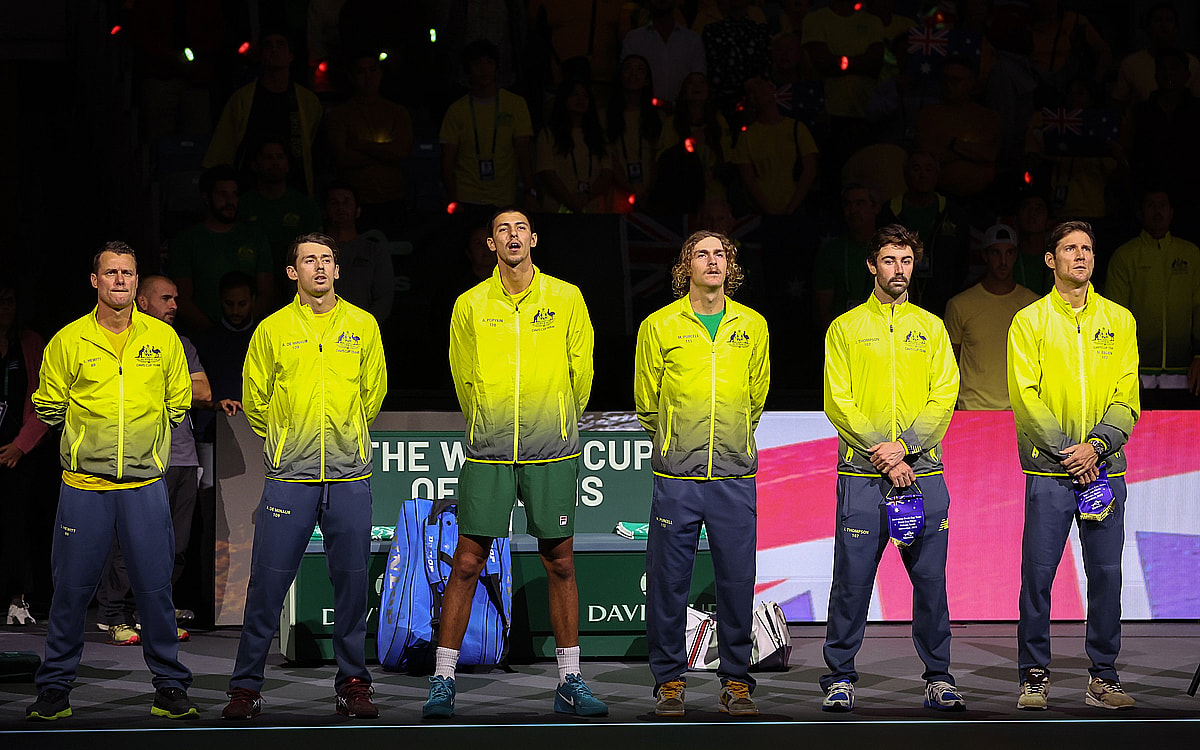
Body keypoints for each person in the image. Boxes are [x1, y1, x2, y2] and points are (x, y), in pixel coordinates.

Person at [425, 208, 605, 719]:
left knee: (561, 562)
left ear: (534, 239)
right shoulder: (470, 305)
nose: (512, 235)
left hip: (554, 450)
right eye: (502, 229)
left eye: (521, 228)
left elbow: (582, 370)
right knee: (465, 562)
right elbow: (463, 376)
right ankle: (443, 680)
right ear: (490, 244)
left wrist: (559, 423)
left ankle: (570, 679)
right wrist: (487, 423)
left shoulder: (566, 297)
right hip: (489, 452)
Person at [27, 242, 196, 721]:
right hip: (84, 486)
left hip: (144, 486)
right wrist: (90, 444)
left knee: (155, 593)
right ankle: (55, 690)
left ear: (137, 283)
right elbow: (48, 406)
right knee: (70, 594)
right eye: (111, 272)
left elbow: (177, 403)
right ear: (94, 281)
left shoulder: (163, 340)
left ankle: (169, 688)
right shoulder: (68, 340)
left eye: (127, 273)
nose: (119, 280)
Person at [221, 233, 387, 720]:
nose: (319, 266)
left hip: (348, 476)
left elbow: (372, 394)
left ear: (337, 271)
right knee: (266, 588)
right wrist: (287, 441)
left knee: (352, 586)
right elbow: (255, 400)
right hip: (289, 478)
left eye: (327, 259)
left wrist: (343, 436)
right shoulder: (272, 329)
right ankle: (246, 687)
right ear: (292, 272)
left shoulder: (364, 325)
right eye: (308, 260)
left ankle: (354, 682)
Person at [821, 224, 963, 713]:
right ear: (871, 265)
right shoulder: (844, 328)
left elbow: (945, 395)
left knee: (930, 583)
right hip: (862, 478)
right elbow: (837, 401)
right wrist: (882, 452)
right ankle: (839, 676)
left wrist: (905, 448)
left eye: (906, 261)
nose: (898, 270)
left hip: (923, 473)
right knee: (852, 582)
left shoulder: (932, 327)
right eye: (889, 260)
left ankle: (939, 677)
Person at [634, 230, 770, 717]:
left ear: (730, 267)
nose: (712, 261)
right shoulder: (659, 326)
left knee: (737, 582)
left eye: (721, 254)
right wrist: (675, 441)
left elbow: (756, 398)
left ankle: (736, 681)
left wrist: (729, 441)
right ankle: (669, 681)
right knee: (669, 583)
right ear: (685, 266)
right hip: (678, 478)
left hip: (734, 477)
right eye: (701, 254)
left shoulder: (752, 325)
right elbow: (647, 404)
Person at [1008, 220, 1140, 710]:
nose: (1080, 255)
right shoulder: (1029, 322)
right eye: (1069, 248)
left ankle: (1103, 676)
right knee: (1038, 576)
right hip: (1050, 473)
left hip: (1105, 471)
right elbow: (1025, 397)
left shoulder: (1120, 320)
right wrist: (1072, 452)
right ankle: (1034, 676)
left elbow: (1128, 394)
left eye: (1086, 248)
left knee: (1106, 575)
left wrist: (1097, 448)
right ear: (1050, 259)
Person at [97, 276, 212, 644]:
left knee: (175, 545)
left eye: (177, 298)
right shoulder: (130, 342)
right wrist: (171, 385)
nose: (175, 305)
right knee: (130, 542)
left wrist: (159, 382)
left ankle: (153, 613)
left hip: (183, 456)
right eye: (166, 298)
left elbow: (203, 390)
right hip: (145, 458)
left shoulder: (182, 344)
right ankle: (115, 614)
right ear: (143, 302)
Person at [1106, 189, 1200, 402]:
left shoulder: (1190, 254)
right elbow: (1114, 315)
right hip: (1137, 370)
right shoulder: (1125, 256)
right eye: (1150, 205)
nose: (1157, 212)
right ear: (1140, 212)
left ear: (1171, 212)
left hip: (1185, 369)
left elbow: (1198, 306)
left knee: (1183, 431)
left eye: (1163, 205)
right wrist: (1120, 366)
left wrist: (1199, 355)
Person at [204, 30, 323, 196]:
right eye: (268, 45)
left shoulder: (308, 102)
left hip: (296, 189)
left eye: (280, 44)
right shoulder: (242, 99)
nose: (274, 49)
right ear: (261, 55)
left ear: (291, 55)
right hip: (249, 189)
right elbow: (223, 149)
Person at [169, 165, 275, 333]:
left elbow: (266, 293)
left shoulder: (255, 237)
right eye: (222, 194)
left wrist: (242, 329)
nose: (230, 201)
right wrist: (215, 334)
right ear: (206, 197)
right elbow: (181, 300)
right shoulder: (186, 240)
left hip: (249, 335)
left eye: (234, 194)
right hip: (202, 337)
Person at [945, 224, 1039, 410]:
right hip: (971, 409)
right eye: (996, 253)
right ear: (985, 256)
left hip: (1019, 411)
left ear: (1016, 255)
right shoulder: (960, 304)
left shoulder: (1034, 305)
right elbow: (948, 364)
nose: (1003, 261)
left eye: (1009, 253)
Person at [440, 39, 535, 217]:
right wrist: (453, 199)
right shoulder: (456, 110)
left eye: (489, 62)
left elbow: (524, 153)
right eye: (477, 63)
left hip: (504, 198)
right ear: (468, 69)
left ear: (497, 66)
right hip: (466, 197)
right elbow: (447, 162)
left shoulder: (515, 104)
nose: (484, 69)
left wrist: (530, 192)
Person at [0, 284, 49, 626]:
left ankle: (18, 597)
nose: (5, 308)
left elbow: (42, 399)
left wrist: (21, 444)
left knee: (18, 525)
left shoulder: (30, 343)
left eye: (10, 300)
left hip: (19, 450)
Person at [326, 53, 414, 234]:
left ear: (380, 72)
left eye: (372, 70)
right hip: (356, 203)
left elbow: (401, 152)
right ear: (351, 76)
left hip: (392, 199)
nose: (368, 76)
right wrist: (384, 152)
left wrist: (362, 145)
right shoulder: (340, 114)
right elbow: (342, 158)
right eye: (361, 71)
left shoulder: (397, 112)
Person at [879, 150, 972, 317]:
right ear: (906, 174)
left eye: (928, 169)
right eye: (916, 169)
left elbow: (963, 262)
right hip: (896, 305)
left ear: (937, 174)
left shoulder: (954, 214)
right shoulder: (889, 213)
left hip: (944, 305)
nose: (922, 175)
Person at [733, 76, 819, 216]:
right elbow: (748, 179)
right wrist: (769, 210)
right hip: (760, 210)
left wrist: (792, 207)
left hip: (796, 207)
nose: (760, 92)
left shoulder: (796, 128)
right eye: (753, 92)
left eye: (761, 86)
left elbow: (809, 170)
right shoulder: (747, 137)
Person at [535, 73, 613, 213]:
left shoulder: (599, 136)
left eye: (585, 96)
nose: (580, 99)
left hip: (594, 211)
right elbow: (547, 174)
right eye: (575, 94)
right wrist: (571, 201)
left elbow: (606, 173)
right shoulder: (548, 134)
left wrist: (586, 197)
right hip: (557, 210)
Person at [322, 182, 395, 324]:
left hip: (363, 332)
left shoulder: (374, 251)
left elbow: (384, 298)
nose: (340, 208)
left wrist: (364, 328)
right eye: (334, 202)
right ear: (324, 210)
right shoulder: (311, 251)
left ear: (358, 211)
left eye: (346, 202)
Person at [814, 183, 881, 327]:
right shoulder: (831, 251)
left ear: (875, 207)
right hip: (843, 332)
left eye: (860, 204)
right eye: (848, 205)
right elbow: (824, 310)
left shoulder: (891, 250)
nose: (853, 210)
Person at [620, 0, 706, 105]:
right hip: (644, 114)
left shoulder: (692, 40)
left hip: (683, 115)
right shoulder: (633, 39)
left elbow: (699, 81)